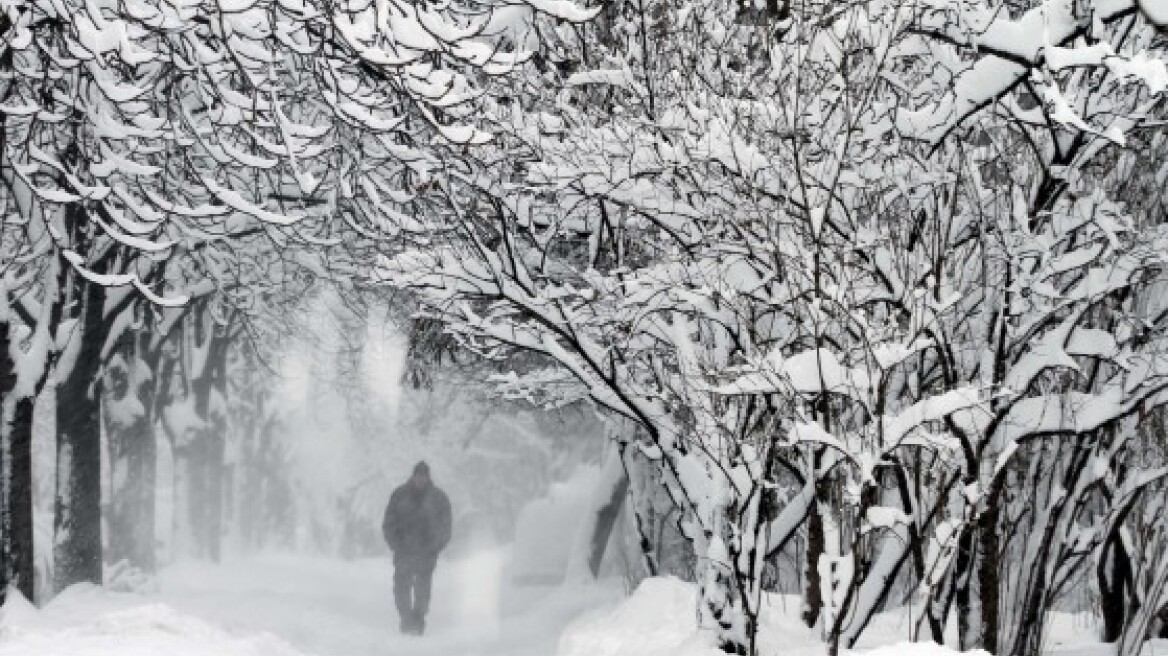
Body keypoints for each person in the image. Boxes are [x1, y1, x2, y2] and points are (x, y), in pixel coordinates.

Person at [382, 461, 452, 636]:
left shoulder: (439, 498)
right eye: (418, 476)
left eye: (423, 476)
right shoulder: (399, 495)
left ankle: (418, 619)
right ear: (413, 476)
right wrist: (396, 544)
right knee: (401, 586)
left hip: (427, 553)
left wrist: (434, 547)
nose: (420, 479)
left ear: (428, 477)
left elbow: (446, 527)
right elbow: (389, 523)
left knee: (423, 588)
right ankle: (405, 618)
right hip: (403, 551)